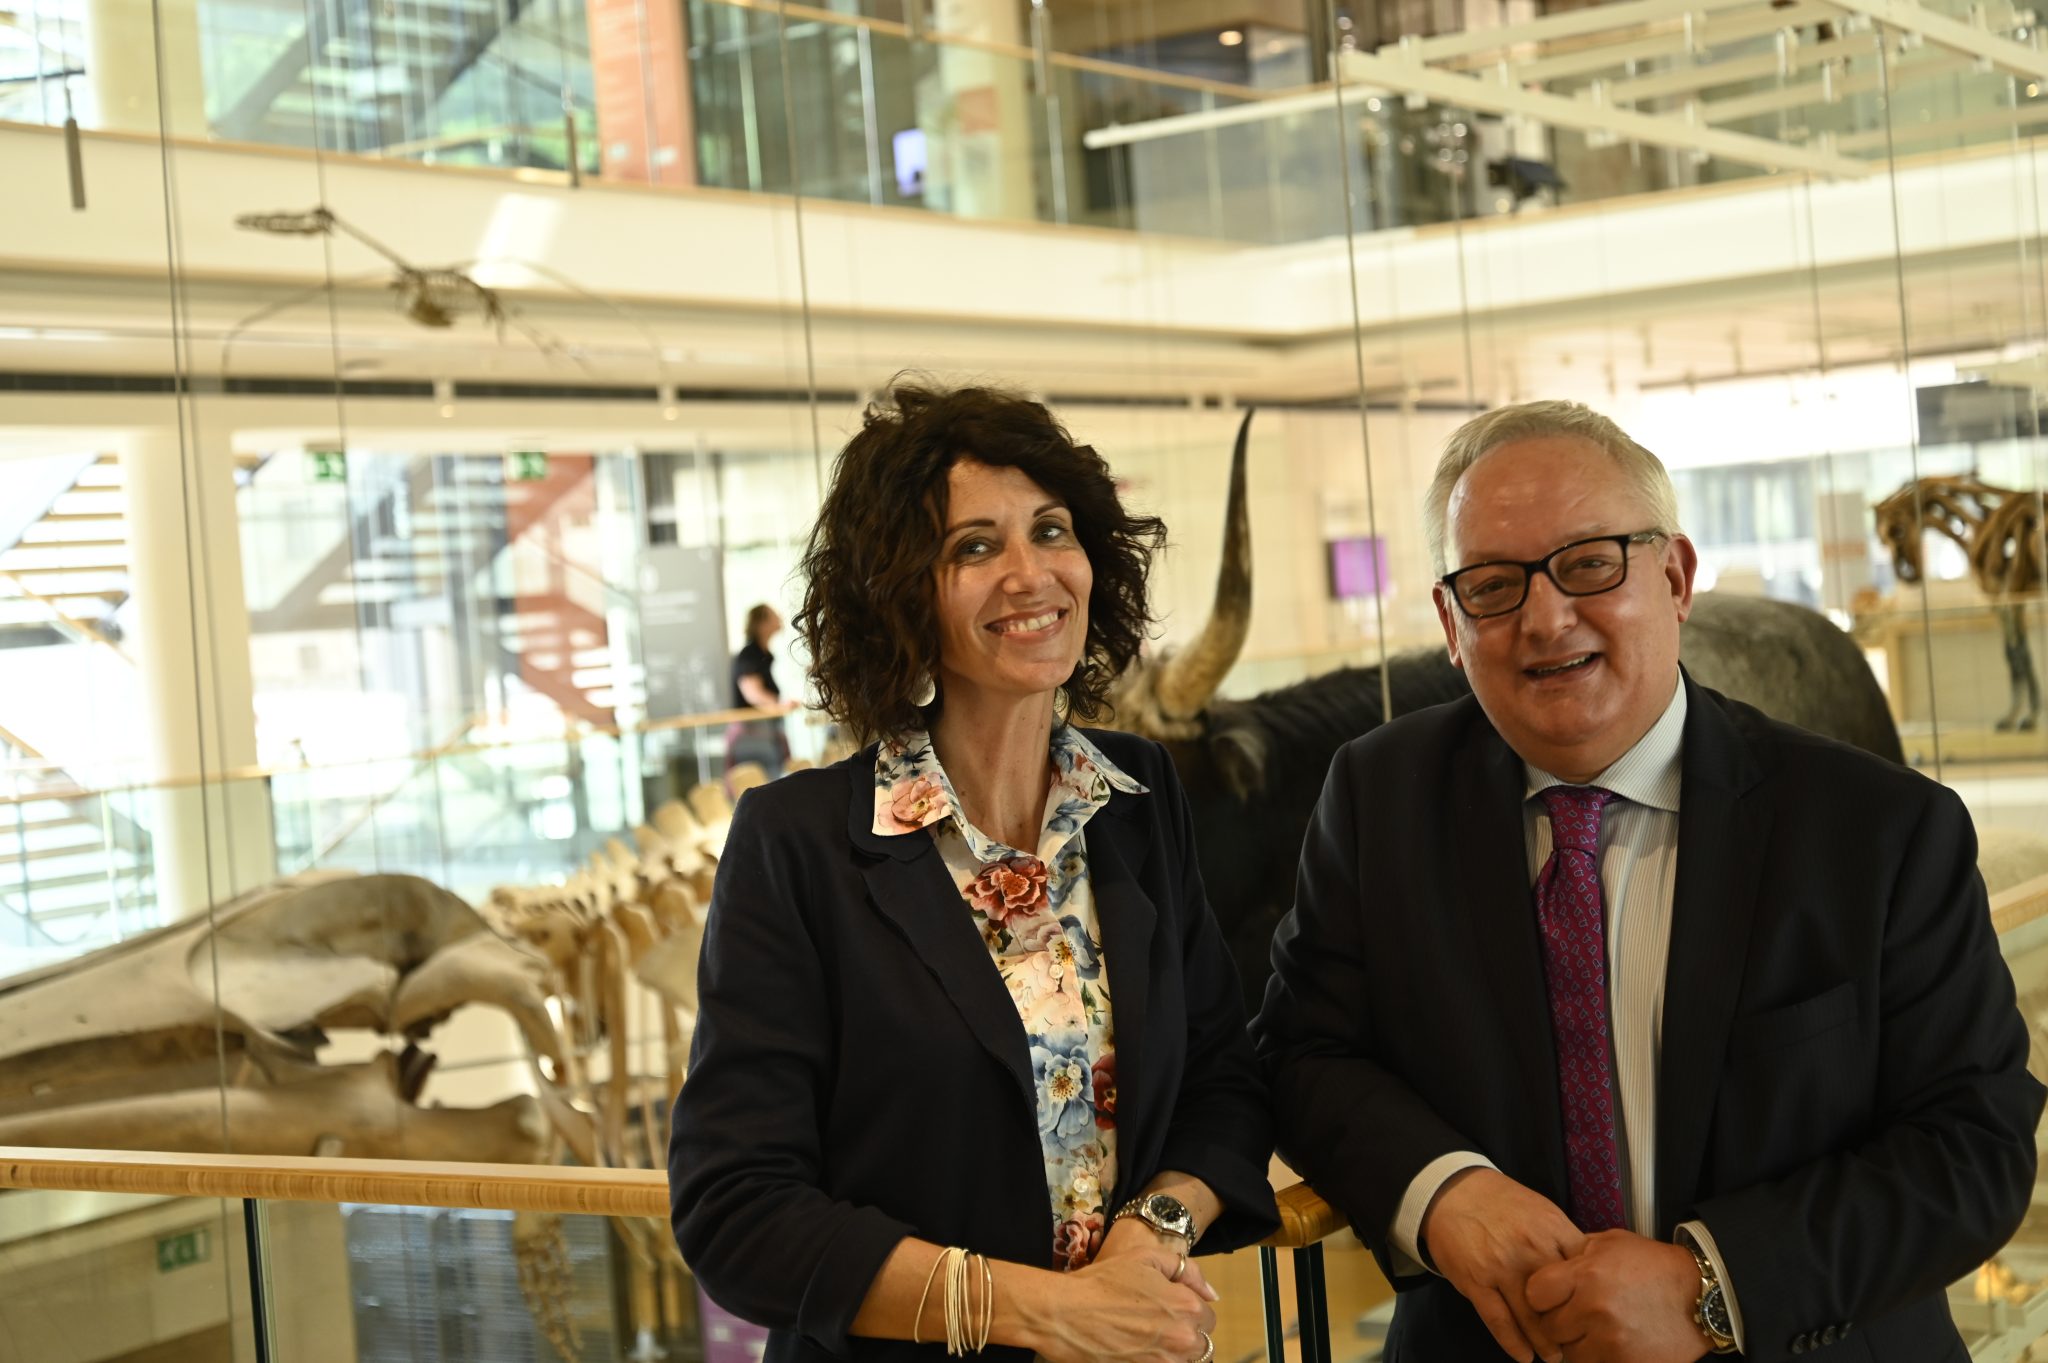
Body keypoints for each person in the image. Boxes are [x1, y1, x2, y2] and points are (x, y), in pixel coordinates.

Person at [1251, 400, 2044, 1363]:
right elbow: (1303, 1049)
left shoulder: (1877, 830)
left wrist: (1710, 1284)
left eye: (1590, 563)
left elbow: (1974, 1144)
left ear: (1674, 577)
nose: (1546, 617)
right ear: (1452, 625)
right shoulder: (1379, 797)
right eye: (1494, 584)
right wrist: (1444, 1189)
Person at [670, 382, 1278, 1363]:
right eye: (973, 546)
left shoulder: (1137, 798)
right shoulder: (797, 844)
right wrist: (1049, 1311)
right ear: (904, 592)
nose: (1029, 573)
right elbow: (736, 1212)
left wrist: (1150, 1232)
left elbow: (1224, 1083)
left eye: (1049, 529)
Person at [726, 603, 796, 779]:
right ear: (761, 623)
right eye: (773, 615)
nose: (779, 618)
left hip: (764, 734)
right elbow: (752, 693)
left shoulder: (762, 655)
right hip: (754, 736)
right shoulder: (749, 654)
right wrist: (778, 705)